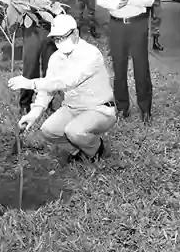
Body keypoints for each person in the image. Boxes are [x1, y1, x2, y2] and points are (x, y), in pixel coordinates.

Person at [8, 14, 116, 165]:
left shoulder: (91, 54)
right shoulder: (56, 58)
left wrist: (31, 84)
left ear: (76, 33)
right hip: (72, 108)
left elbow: (68, 81)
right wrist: (35, 112)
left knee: (74, 131)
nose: (60, 42)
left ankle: (97, 149)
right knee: (48, 129)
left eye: (63, 37)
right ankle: (78, 152)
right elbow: (49, 86)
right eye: (56, 39)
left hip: (99, 109)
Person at [97, 0, 154, 121]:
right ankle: (122, 106)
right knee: (119, 66)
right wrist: (113, 4)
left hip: (137, 24)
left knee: (141, 67)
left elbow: (149, 0)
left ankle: (145, 108)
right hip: (117, 24)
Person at [18, 0, 68, 114]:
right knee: (30, 66)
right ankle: (25, 102)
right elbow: (20, 7)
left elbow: (65, 7)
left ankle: (47, 102)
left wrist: (58, 11)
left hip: (51, 31)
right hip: (32, 30)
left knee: (50, 68)